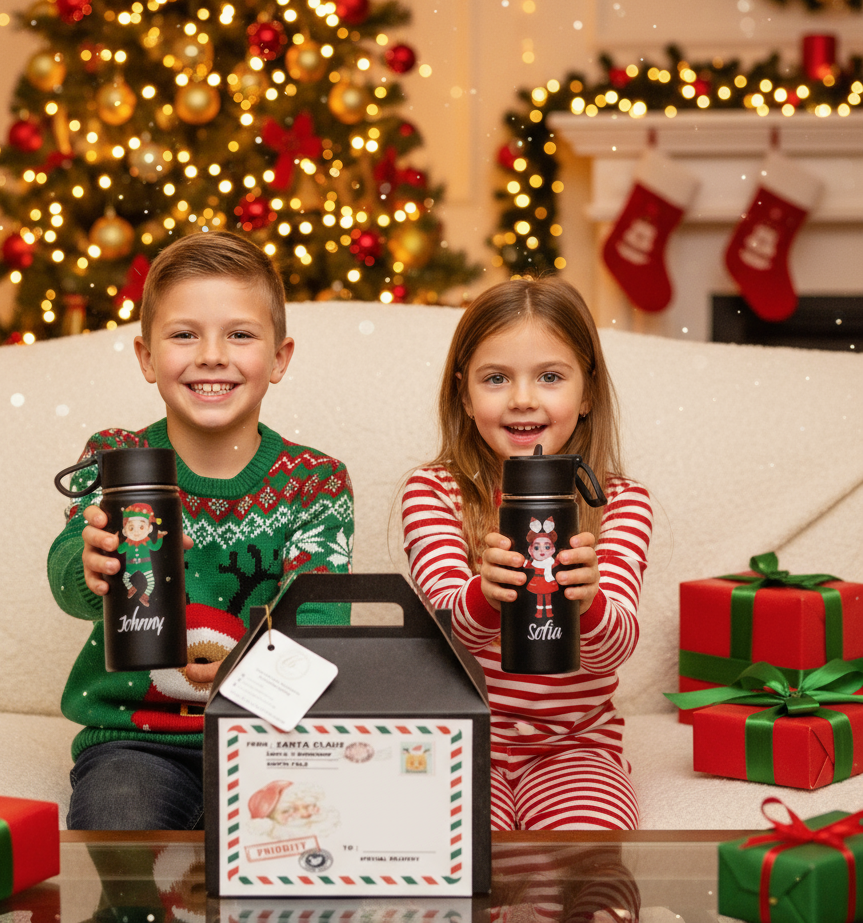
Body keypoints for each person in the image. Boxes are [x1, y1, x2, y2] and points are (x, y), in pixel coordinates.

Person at [48, 230, 354, 830]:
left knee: (315, 853)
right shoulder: (116, 457)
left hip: (273, 734)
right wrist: (93, 570)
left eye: (239, 335)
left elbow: (319, 622)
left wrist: (249, 661)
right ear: (145, 357)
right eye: (184, 334)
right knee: (117, 839)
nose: (212, 355)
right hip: (135, 743)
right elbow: (65, 577)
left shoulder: (314, 481)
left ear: (279, 358)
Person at [401, 276, 652, 831]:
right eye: (496, 378)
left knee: (586, 868)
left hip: (575, 745)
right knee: (448, 857)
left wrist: (589, 602)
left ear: (587, 392)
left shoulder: (619, 504)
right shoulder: (435, 492)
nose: (522, 398)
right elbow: (445, 628)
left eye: (550, 376)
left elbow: (616, 648)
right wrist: (485, 594)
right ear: (464, 395)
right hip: (459, 736)